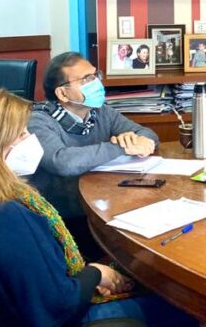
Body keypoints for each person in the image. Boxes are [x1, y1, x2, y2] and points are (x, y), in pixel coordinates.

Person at [0, 84, 195, 327]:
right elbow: (58, 307)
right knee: (181, 305)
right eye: (21, 135)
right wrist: (95, 274)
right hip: (60, 317)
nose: (30, 139)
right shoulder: (4, 216)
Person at [28, 52, 159, 259]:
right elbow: (63, 162)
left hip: (102, 207)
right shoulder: (39, 120)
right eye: (86, 79)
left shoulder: (101, 112)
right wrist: (121, 147)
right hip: (61, 222)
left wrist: (139, 141)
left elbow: (147, 135)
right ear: (62, 93)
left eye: (95, 75)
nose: (96, 83)